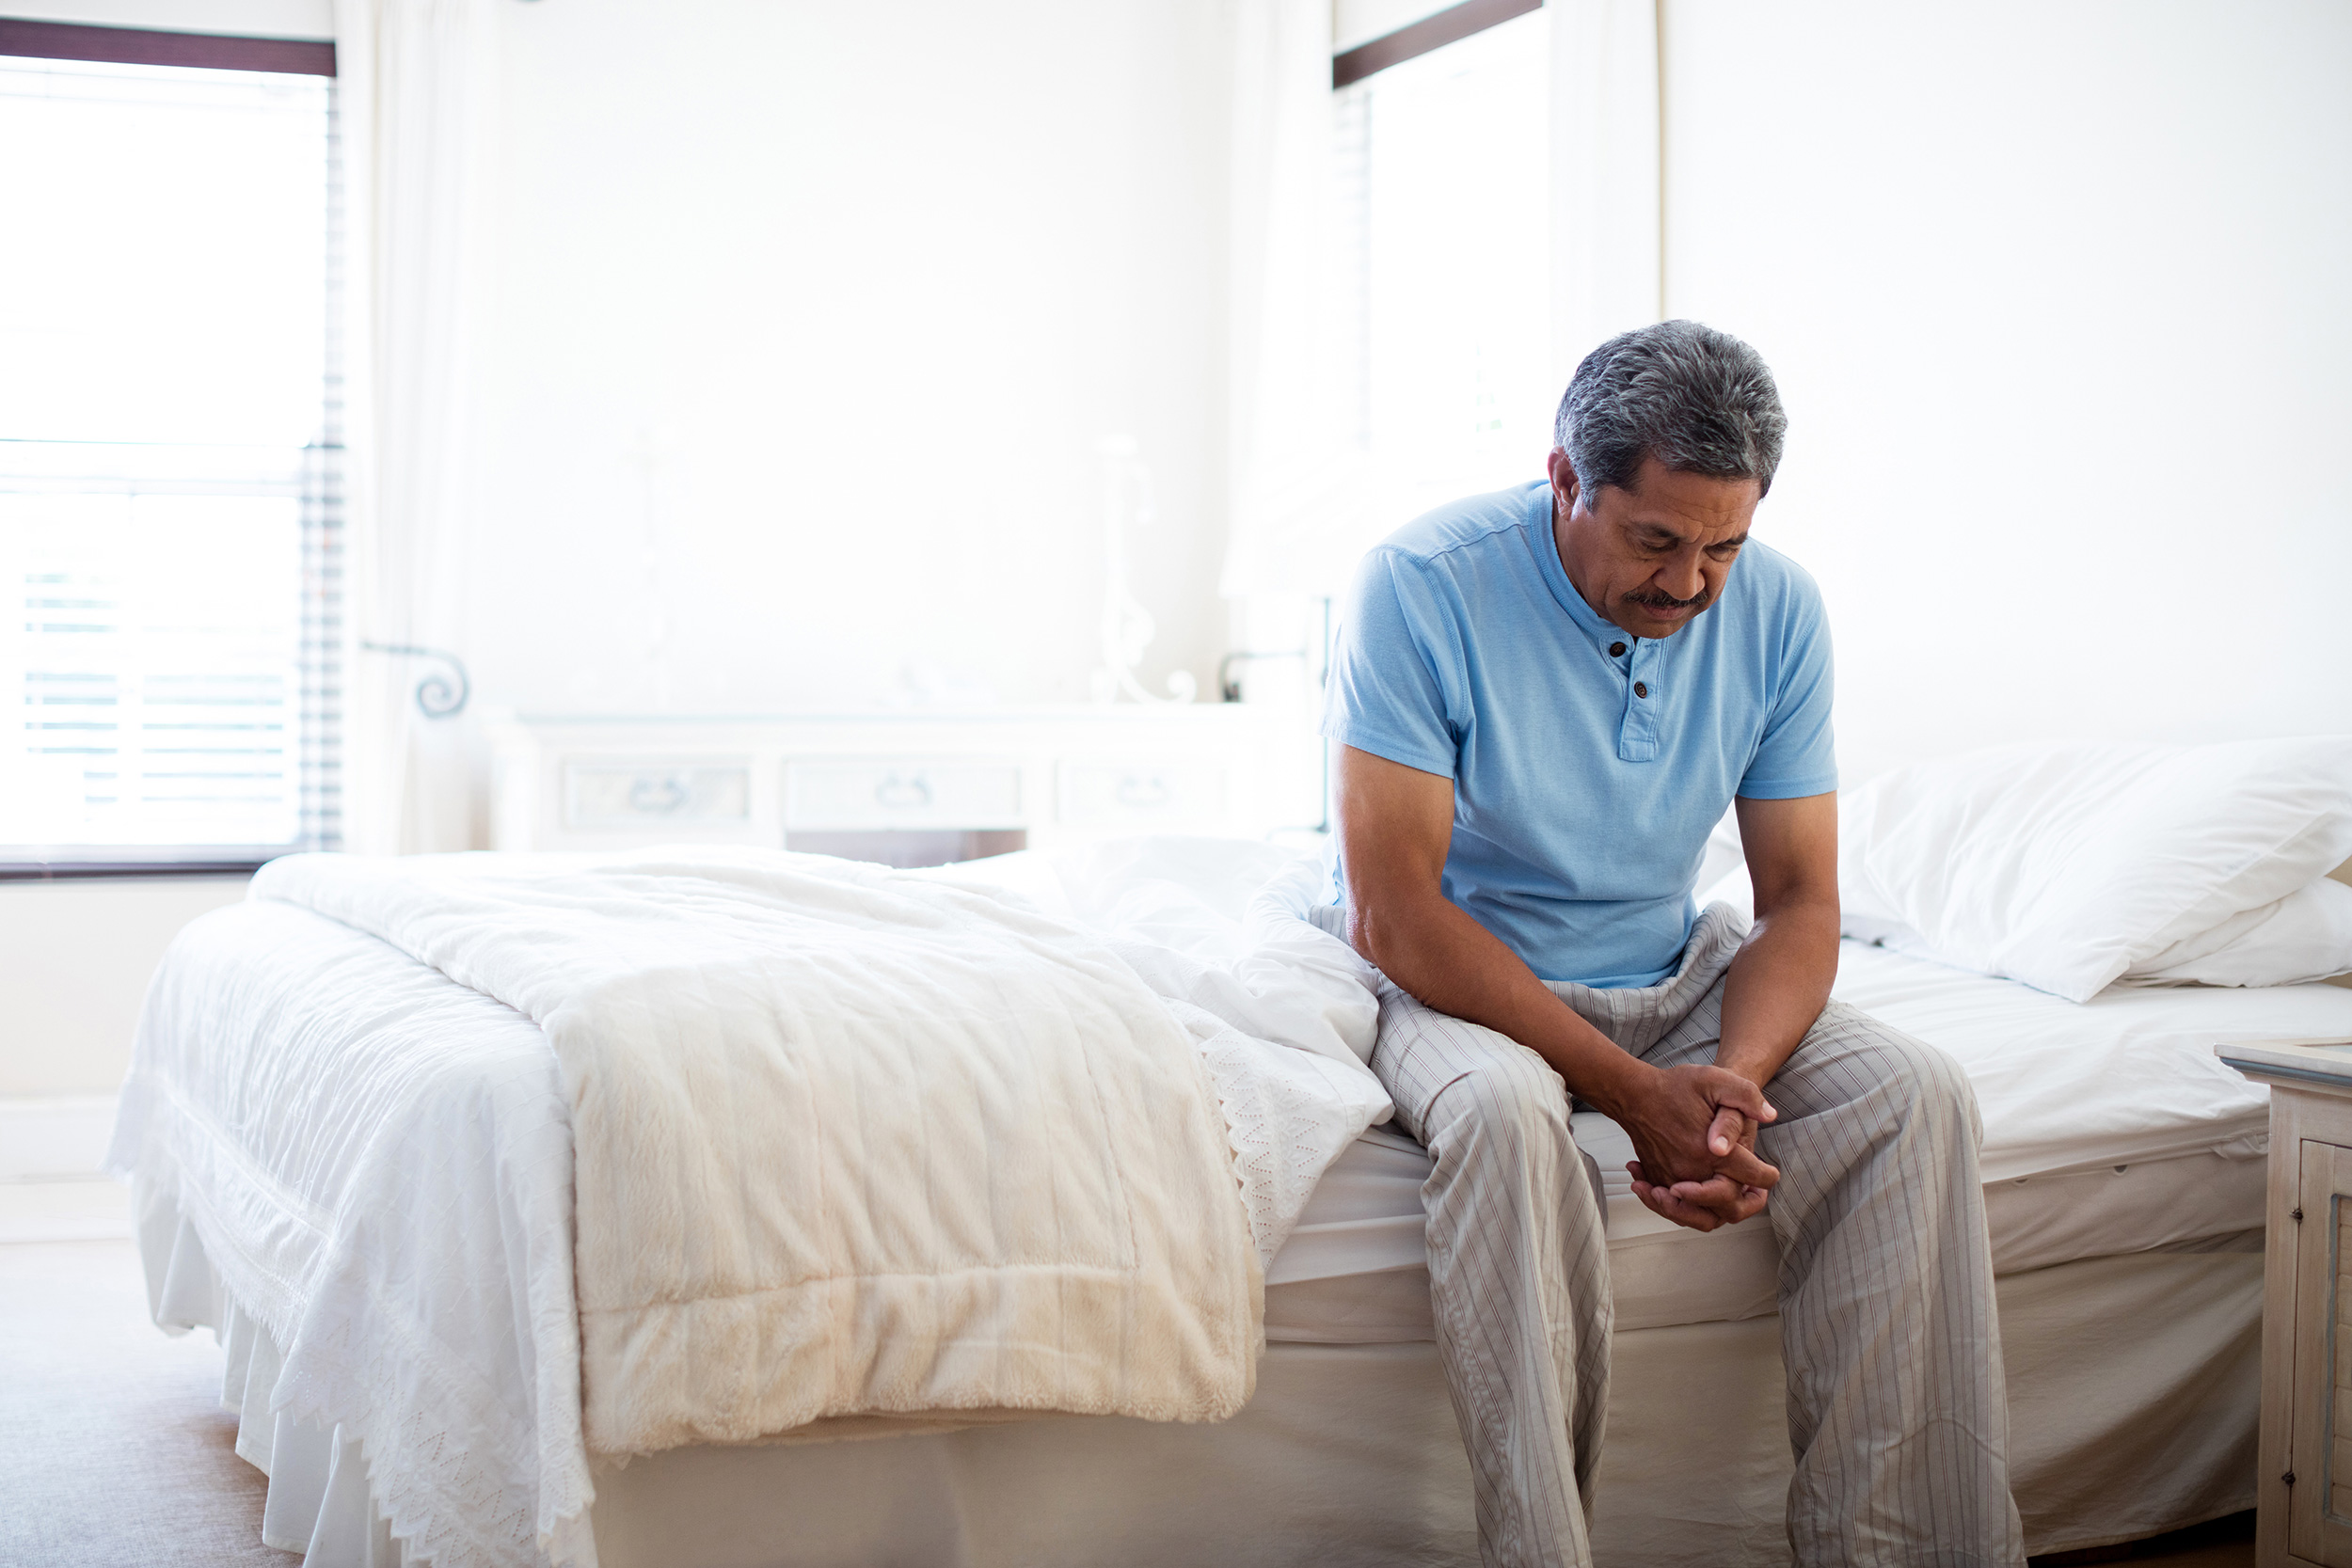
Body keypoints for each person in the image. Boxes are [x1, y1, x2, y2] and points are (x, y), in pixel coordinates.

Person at [1319, 321, 2024, 1568]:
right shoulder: (1421, 582)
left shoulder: (1781, 610)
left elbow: (1801, 900)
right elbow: (1398, 913)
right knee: (1502, 1119)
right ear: (1563, 482)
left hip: (1666, 968)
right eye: (1656, 541)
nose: (1691, 585)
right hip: (1459, 976)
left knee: (1916, 1094)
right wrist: (1636, 1094)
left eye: (1723, 547)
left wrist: (1731, 1093)